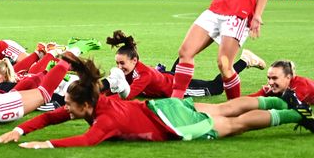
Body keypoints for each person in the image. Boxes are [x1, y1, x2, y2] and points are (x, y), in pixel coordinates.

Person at [0, 56, 314, 148]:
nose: (65, 109)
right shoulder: (97, 103)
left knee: (234, 124)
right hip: (164, 107)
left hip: (172, 123)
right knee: (223, 107)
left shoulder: (106, 121)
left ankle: (291, 113)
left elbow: (86, 139)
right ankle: (279, 105)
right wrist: (22, 131)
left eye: (69, 105)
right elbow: (52, 117)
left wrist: (46, 145)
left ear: (85, 106)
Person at [105, 30, 265, 99]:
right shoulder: (131, 71)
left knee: (215, 88)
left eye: (122, 63)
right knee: (183, 59)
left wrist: (102, 95)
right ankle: (207, 38)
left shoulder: (143, 75)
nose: (119, 67)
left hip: (177, 86)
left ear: (134, 61)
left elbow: (128, 94)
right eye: (117, 64)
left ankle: (245, 60)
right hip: (167, 77)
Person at [249, 60, 314, 105]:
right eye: (269, 78)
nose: (270, 82)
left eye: (274, 78)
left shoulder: (300, 87)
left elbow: (284, 105)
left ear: (288, 77)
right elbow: (251, 98)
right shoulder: (274, 86)